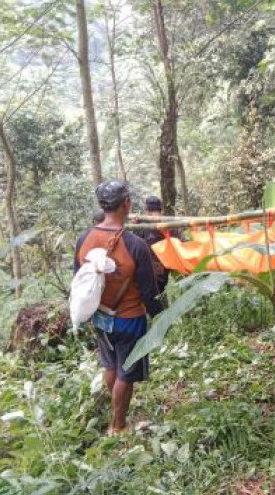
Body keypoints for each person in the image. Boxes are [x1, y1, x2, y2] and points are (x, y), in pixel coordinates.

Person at [74, 181, 164, 435]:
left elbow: (79, 279)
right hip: (129, 318)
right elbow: (149, 291)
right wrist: (162, 315)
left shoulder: (84, 239)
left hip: (100, 316)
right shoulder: (135, 245)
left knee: (111, 365)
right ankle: (118, 425)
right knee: (126, 371)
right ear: (126, 204)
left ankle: (117, 417)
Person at [133, 196, 169, 295]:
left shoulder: (144, 224)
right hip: (161, 267)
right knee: (159, 295)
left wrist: (136, 227)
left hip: (150, 268)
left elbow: (135, 243)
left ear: (146, 210)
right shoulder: (168, 223)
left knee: (152, 297)